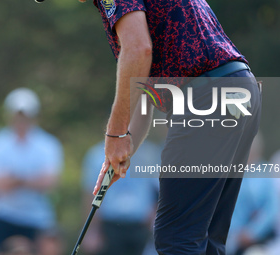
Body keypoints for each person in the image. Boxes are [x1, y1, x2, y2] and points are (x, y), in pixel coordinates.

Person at [89, 0, 262, 254]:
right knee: (206, 241)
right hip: (237, 90)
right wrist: (121, 153)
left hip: (206, 98)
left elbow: (138, 50)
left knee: (176, 238)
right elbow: (144, 90)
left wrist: (114, 133)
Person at [0, 88, 63, 247]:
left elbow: (50, 183)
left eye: (25, 116)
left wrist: (14, 179)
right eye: (17, 115)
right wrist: (32, 180)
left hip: (37, 218)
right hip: (2, 215)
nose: (21, 120)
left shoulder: (49, 145)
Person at [82, 140, 159, 255]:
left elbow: (158, 194)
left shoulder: (150, 154)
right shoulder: (97, 154)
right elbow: (90, 194)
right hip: (109, 226)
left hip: (141, 226)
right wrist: (92, 230)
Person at [226, 134, 278, 255]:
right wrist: (236, 234)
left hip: (260, 239)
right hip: (231, 239)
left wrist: (252, 232)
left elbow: (271, 208)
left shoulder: (265, 173)